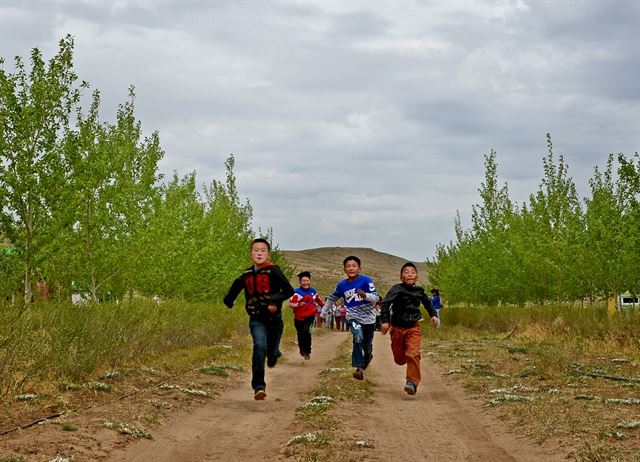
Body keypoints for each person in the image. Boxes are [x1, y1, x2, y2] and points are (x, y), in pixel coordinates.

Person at [223, 238, 294, 400]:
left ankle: (274, 353)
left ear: (268, 254)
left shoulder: (273, 270)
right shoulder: (247, 274)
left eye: (263, 250)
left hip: (274, 319)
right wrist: (229, 300)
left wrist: (274, 300)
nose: (259, 253)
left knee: (272, 350)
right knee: (259, 345)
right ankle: (259, 386)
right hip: (256, 319)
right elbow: (235, 287)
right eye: (256, 250)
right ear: (251, 254)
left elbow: (288, 290)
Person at [380, 262, 439, 395]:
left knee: (413, 354)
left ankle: (411, 382)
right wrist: (385, 321)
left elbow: (428, 304)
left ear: (416, 276)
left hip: (413, 327)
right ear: (401, 277)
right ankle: (407, 358)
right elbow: (385, 303)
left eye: (413, 272)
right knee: (400, 359)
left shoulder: (419, 291)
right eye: (406, 272)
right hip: (397, 328)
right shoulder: (396, 289)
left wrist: (433, 315)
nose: (410, 274)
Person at [322, 256, 379, 381]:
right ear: (344, 269)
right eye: (348, 266)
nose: (351, 268)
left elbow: (376, 298)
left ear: (359, 268)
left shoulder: (366, 280)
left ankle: (368, 356)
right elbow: (332, 298)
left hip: (369, 318)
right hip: (353, 317)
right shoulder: (342, 285)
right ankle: (358, 368)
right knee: (357, 336)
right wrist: (323, 312)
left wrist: (366, 296)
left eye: (354, 266)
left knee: (367, 345)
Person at [289, 271, 325, 360]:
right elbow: (291, 304)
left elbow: (320, 302)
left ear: (310, 281)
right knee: (300, 334)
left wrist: (325, 309)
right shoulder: (296, 292)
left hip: (310, 316)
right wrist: (298, 305)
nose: (306, 283)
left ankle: (308, 351)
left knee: (307, 332)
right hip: (298, 317)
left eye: (307, 281)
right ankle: (302, 349)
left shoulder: (313, 292)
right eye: (303, 281)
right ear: (300, 282)